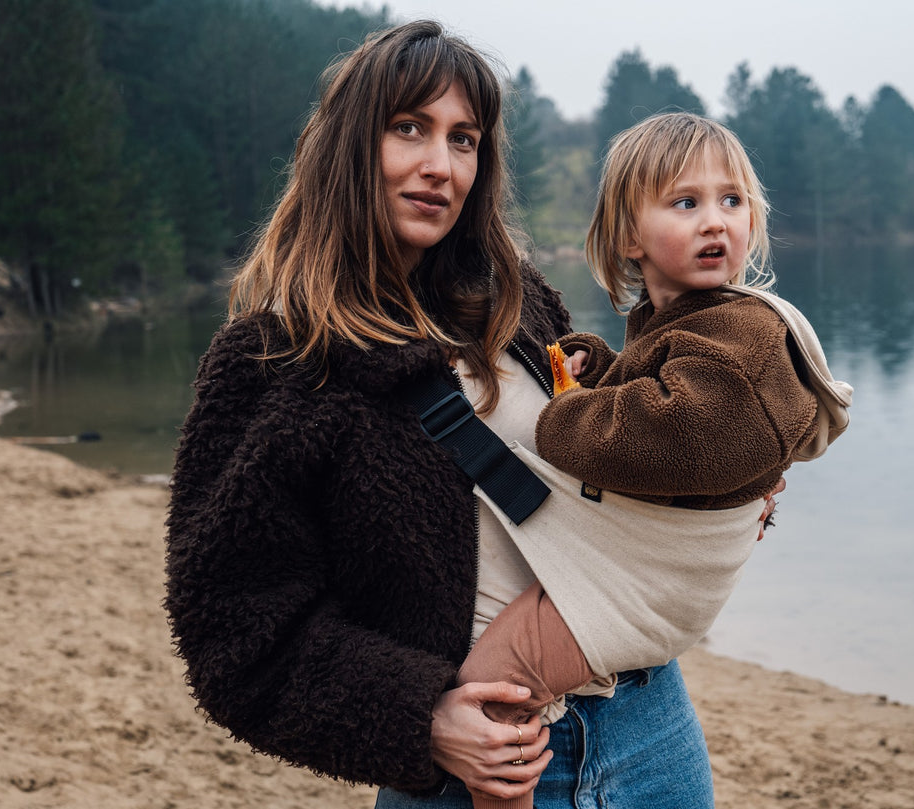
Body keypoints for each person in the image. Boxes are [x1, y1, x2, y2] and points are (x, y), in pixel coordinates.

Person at [163, 21, 761, 809]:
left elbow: (600, 475)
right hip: (475, 769)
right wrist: (425, 718)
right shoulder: (272, 360)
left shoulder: (519, 301)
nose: (439, 165)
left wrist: (717, 486)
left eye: (465, 139)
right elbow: (234, 631)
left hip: (652, 734)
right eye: (409, 128)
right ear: (349, 143)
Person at [455, 112, 852, 809]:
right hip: (640, 573)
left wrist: (565, 414)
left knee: (498, 678)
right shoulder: (677, 323)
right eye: (686, 202)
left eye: (732, 201)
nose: (715, 221)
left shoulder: (741, 328)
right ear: (627, 237)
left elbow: (684, 435)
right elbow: (657, 398)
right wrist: (601, 371)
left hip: (651, 582)